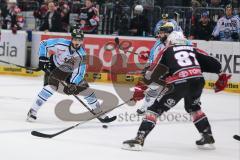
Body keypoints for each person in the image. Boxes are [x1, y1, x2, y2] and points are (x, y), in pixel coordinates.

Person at [122, 31, 231, 151]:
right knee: (194, 108)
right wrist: (222, 75)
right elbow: (214, 63)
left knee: (155, 109)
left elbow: (152, 73)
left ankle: (139, 139)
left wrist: (140, 91)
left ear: (171, 41)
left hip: (179, 83)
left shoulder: (167, 50)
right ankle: (207, 136)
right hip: (198, 81)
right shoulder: (192, 49)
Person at [26, 25, 115, 123]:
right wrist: (42, 58)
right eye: (75, 39)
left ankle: (98, 112)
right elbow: (44, 44)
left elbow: (79, 72)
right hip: (54, 67)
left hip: (69, 72)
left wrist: (73, 84)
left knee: (87, 90)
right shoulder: (61, 43)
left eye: (80, 40)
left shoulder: (82, 55)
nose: (77, 42)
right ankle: (33, 111)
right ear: (71, 39)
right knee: (50, 88)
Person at [136, 22, 175, 115]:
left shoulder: (170, 45)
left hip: (162, 69)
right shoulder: (159, 41)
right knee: (154, 88)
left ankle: (146, 107)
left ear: (167, 33)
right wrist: (147, 55)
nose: (158, 34)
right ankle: (148, 106)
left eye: (161, 33)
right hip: (154, 67)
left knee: (155, 88)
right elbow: (153, 54)